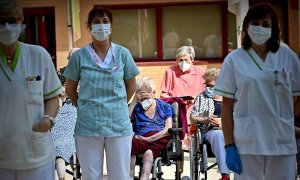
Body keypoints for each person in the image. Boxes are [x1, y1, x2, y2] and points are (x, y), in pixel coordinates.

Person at [215, 3, 300, 180]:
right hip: (247, 144)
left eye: (266, 25)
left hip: (281, 143)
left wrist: (279, 117)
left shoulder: (288, 57)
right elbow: (226, 107)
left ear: (274, 29)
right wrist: (229, 146)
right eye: (255, 23)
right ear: (246, 26)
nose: (260, 29)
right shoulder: (234, 60)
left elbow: (296, 99)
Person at [63, 7, 140, 180]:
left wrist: (118, 105)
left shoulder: (123, 54)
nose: (101, 26)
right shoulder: (79, 56)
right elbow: (69, 89)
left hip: (118, 125)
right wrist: (84, 106)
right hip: (88, 125)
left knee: (120, 175)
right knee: (90, 175)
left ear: (111, 27)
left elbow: (131, 86)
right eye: (96, 22)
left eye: (105, 22)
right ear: (89, 27)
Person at [0, 1, 63, 179]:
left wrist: (48, 119)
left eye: (11, 21)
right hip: (2, 158)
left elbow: (52, 97)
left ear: (20, 21)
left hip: (37, 156)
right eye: (1, 22)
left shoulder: (38, 55)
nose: (6, 27)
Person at [160, 45, 205, 149]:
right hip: (177, 111)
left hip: (195, 110)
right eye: (180, 60)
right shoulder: (170, 71)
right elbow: (163, 94)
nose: (183, 62)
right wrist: (177, 100)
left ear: (192, 60)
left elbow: (208, 92)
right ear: (176, 60)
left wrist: (195, 99)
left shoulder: (201, 72)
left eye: (186, 60)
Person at [129, 77, 173, 180]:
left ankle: (144, 178)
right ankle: (129, 176)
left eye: (146, 96)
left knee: (148, 153)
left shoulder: (164, 106)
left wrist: (149, 139)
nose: (144, 100)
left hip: (159, 137)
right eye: (141, 96)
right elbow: (124, 121)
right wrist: (135, 102)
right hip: (140, 137)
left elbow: (168, 128)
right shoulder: (135, 106)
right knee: (129, 147)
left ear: (153, 92)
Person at [190, 68, 230, 180]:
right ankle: (225, 174)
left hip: (233, 130)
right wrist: (205, 120)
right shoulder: (201, 97)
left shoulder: (232, 98)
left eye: (211, 86)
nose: (208, 88)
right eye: (206, 85)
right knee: (218, 135)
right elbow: (192, 118)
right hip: (211, 132)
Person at [51, 48, 80, 180]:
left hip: (79, 109)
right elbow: (52, 90)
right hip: (62, 108)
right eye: (71, 58)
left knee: (68, 140)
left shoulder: (87, 73)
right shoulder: (61, 73)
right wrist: (61, 93)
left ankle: (73, 170)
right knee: (56, 139)